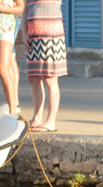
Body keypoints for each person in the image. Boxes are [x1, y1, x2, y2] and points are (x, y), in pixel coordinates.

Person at [24, 0, 66, 131]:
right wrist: (24, 32)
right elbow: (25, 9)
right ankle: (37, 117)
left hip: (50, 34)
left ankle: (51, 121)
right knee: (34, 78)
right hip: (33, 35)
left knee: (50, 79)